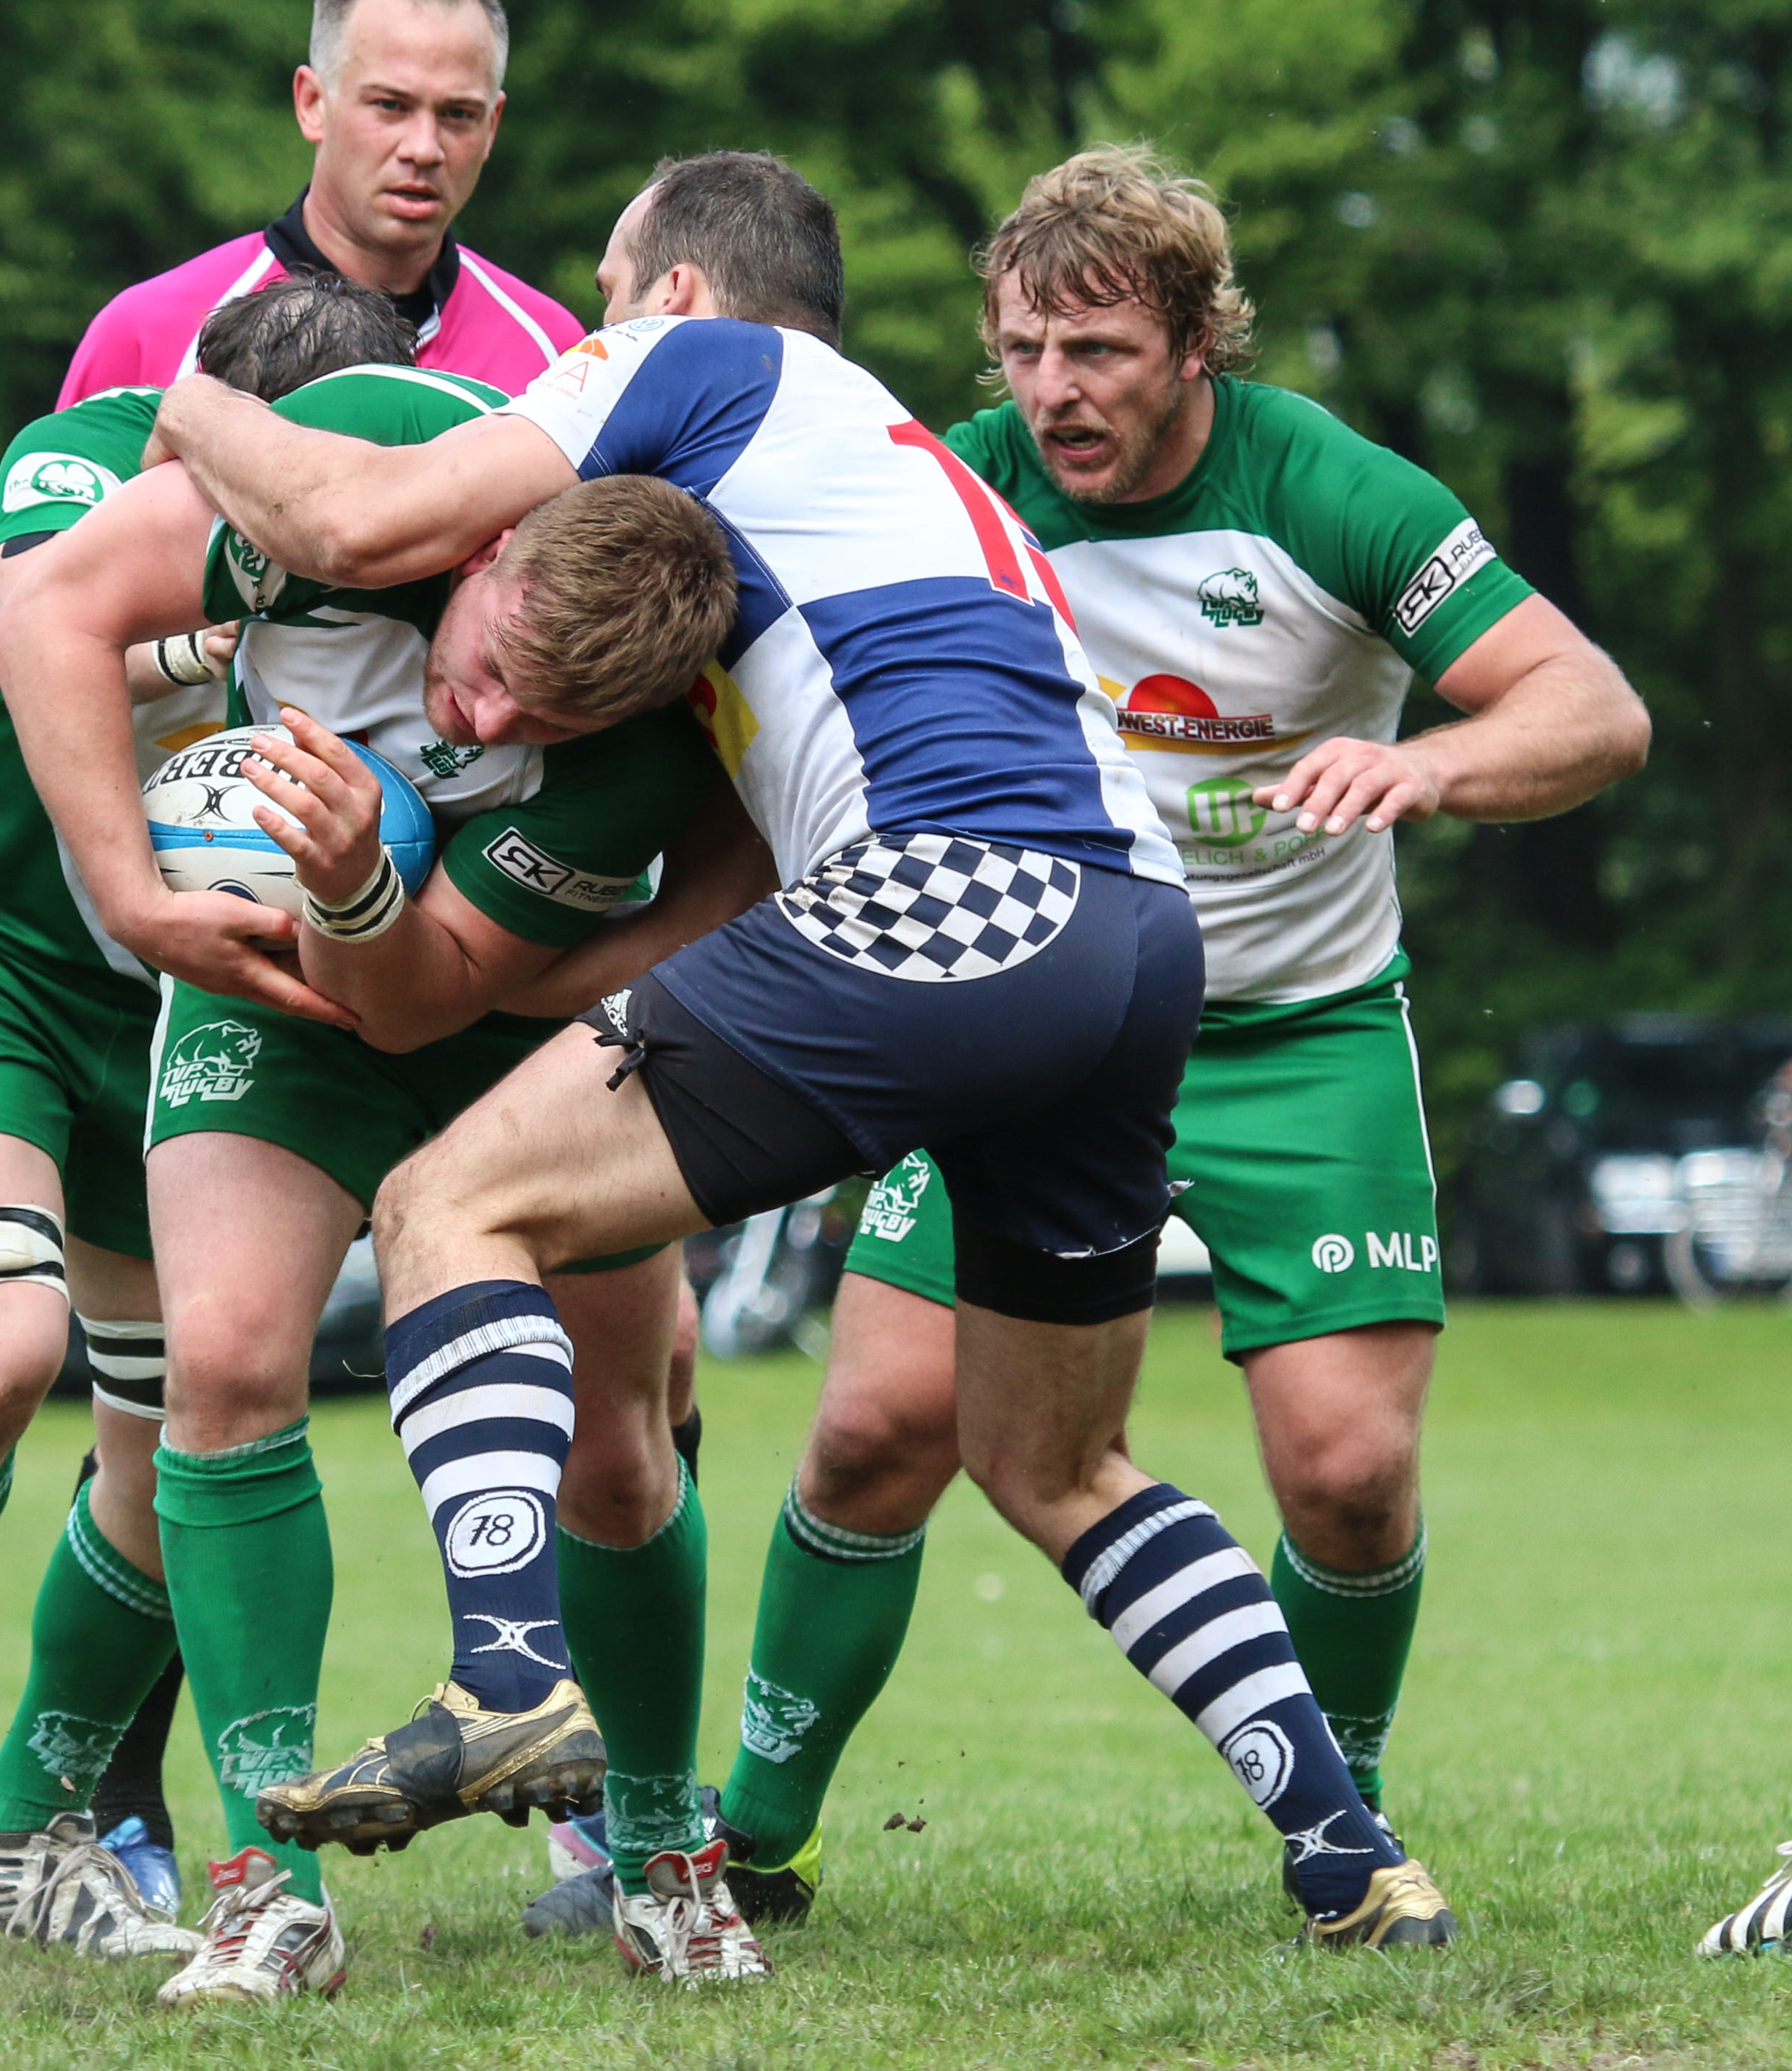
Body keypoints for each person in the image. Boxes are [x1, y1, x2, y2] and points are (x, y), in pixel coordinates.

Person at [145, 148, 1459, 1956]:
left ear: (673, 294)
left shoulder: (694, 366)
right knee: (1055, 1460)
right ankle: (1351, 1856)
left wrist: (189, 397)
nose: (582, 338)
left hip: (954, 891)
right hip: (1135, 930)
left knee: (449, 1202)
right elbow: (732, 883)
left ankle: (509, 1671)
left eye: (606, 296)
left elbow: (361, 525)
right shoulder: (871, 473)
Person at [699, 145, 1649, 1924]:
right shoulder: (955, 485)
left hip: (1300, 1032)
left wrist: (1427, 763)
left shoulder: (1326, 488)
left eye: (1101, 352)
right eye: (1023, 351)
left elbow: (1592, 709)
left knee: (1350, 1476)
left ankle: (1339, 1817)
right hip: (1028, 1018)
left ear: (1199, 343)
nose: (1053, 391)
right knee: (875, 1428)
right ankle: (757, 1836)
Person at [0, 425, 753, 1997]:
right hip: (270, 994)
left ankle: (661, 1848)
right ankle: (265, 1887)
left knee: (616, 1446)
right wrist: (133, 894)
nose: (488, 719)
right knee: (219, 1363)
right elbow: (46, 598)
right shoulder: (354, 494)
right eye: (493, 668)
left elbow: (419, 998)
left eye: (546, 719)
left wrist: (350, 886)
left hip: (497, 1003)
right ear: (487, 549)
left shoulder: (640, 753)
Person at [0, 273, 418, 1956]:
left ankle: (23, 1823)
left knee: (183, 1433)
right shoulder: (77, 459)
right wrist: (238, 635)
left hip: (192, 1008)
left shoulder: (402, 532)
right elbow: (45, 610)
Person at [58, 0, 577, 408]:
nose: (423, 148)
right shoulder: (148, 332)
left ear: (492, 127)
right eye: (390, 105)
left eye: (458, 114)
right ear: (312, 103)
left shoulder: (556, 357)